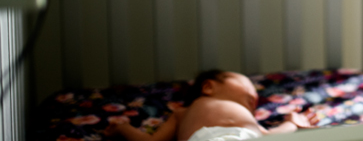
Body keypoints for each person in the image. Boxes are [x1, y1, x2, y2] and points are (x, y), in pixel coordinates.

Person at [113, 70, 312, 141]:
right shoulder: (182, 112)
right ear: (208, 87)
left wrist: (291, 122)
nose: (255, 97)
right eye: (246, 86)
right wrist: (123, 128)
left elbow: (268, 136)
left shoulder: (244, 117)